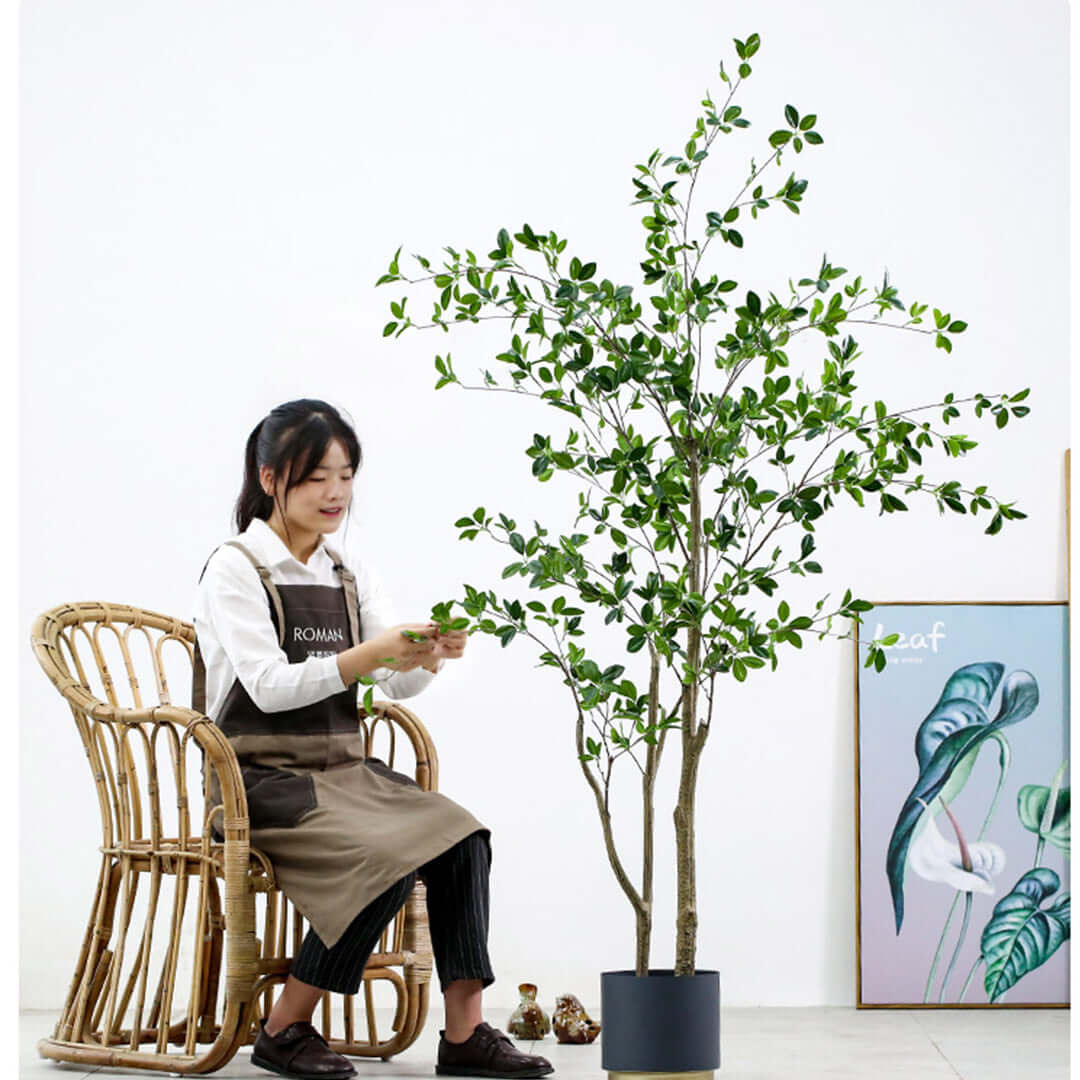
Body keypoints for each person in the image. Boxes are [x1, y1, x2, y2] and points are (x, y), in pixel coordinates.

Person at [192, 398, 554, 1080]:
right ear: (270, 479)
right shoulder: (235, 568)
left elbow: (396, 690)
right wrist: (369, 656)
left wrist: (424, 657)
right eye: (315, 477)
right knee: (390, 851)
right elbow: (267, 687)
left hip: (344, 772)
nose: (335, 493)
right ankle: (284, 1025)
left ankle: (465, 1035)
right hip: (259, 782)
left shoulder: (347, 572)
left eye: (346, 475)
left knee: (461, 837)